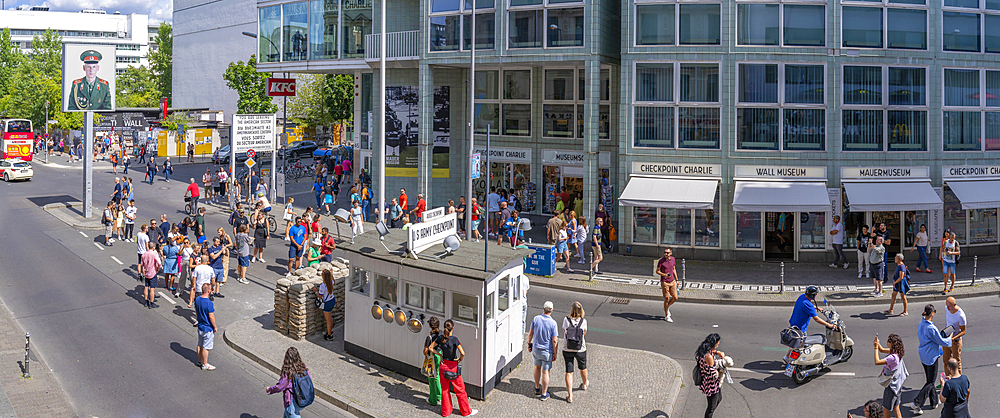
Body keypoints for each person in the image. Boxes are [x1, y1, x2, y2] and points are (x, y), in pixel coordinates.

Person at [427, 319, 477, 416]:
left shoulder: (440, 338)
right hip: (453, 367)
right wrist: (459, 359)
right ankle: (466, 411)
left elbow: (430, 348)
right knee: (460, 390)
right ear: (452, 328)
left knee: (445, 390)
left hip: (443, 366)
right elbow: (462, 353)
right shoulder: (454, 339)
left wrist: (440, 355)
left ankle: (446, 412)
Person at [909, 304, 952, 415]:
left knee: (930, 378)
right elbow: (941, 341)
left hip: (923, 355)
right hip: (931, 356)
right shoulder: (931, 328)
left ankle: (934, 402)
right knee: (930, 381)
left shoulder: (921, 323)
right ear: (932, 313)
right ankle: (917, 402)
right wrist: (949, 339)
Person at [528, 301, 559, 401]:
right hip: (547, 351)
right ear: (552, 310)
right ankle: (544, 393)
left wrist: (529, 343)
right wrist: (555, 352)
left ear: (543, 308)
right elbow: (554, 340)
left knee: (537, 367)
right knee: (545, 372)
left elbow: (530, 333)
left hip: (536, 349)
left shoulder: (536, 319)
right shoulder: (553, 323)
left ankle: (537, 387)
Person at [874, 333, 909, 418]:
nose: (887, 341)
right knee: (896, 408)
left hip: (891, 387)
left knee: (886, 409)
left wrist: (875, 347)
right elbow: (882, 350)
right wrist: (878, 344)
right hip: (897, 386)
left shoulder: (892, 357)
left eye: (889, 341)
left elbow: (877, 361)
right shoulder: (897, 352)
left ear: (893, 344)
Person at [562, 302, 589, 403]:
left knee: (569, 372)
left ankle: (570, 395)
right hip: (580, 349)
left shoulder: (566, 320)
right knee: (583, 368)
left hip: (567, 348)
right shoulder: (584, 321)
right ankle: (584, 384)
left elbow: (565, 331)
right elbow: (584, 333)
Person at [696, 333, 725, 418]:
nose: (717, 345)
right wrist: (723, 368)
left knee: (719, 399)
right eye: (717, 344)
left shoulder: (704, 350)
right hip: (711, 383)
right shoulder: (709, 357)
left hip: (710, 381)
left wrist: (717, 352)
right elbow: (713, 374)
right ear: (713, 344)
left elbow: (712, 352)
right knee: (711, 407)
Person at [195, 283, 218, 371]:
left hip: (200, 326)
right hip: (207, 328)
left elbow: (196, 310)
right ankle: (205, 364)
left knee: (199, 344)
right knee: (206, 347)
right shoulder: (209, 303)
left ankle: (200, 360)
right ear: (208, 291)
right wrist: (215, 326)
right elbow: (211, 316)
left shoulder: (197, 299)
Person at [942, 297, 966, 375]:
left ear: (954, 305)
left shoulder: (960, 316)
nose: (947, 308)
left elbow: (963, 331)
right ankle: (947, 379)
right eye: (947, 306)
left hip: (955, 341)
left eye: (949, 306)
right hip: (947, 339)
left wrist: (953, 338)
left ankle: (958, 381)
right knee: (946, 360)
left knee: (956, 362)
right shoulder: (947, 309)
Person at [423, 317, 443, 406]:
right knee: (437, 376)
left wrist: (425, 346)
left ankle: (433, 399)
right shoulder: (441, 333)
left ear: (430, 326)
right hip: (439, 356)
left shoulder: (429, 337)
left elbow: (425, 352)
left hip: (432, 358)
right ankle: (439, 396)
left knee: (431, 378)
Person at [313, 270, 337, 341]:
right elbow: (334, 281)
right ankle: (330, 330)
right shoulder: (331, 282)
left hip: (327, 303)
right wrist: (331, 274)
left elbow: (320, 296)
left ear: (323, 276)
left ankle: (329, 335)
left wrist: (315, 291)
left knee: (328, 320)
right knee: (330, 318)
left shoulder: (322, 286)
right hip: (332, 300)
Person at [656, 247, 679, 322]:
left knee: (675, 297)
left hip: (672, 281)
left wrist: (677, 279)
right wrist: (664, 275)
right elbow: (657, 271)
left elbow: (674, 269)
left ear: (671, 253)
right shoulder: (661, 261)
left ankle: (666, 306)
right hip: (665, 282)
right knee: (667, 298)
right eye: (665, 252)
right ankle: (667, 316)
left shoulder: (673, 259)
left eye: (667, 253)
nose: (666, 254)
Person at [140, 242, 162, 308]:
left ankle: (146, 301)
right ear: (153, 247)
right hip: (153, 272)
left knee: (146, 287)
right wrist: (158, 268)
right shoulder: (154, 254)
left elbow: (142, 264)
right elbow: (159, 263)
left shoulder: (144, 254)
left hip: (147, 272)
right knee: (152, 289)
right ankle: (151, 302)